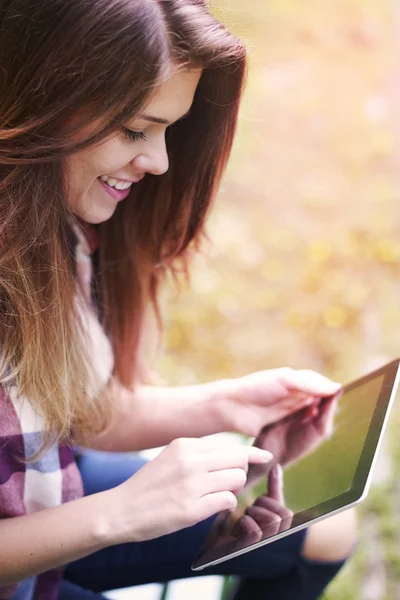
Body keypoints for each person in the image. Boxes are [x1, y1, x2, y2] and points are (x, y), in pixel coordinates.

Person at [0, 0, 357, 599]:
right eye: (136, 130)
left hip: (47, 489)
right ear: (40, 97)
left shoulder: (55, 227)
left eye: (168, 130)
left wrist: (230, 407)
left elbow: (77, 412)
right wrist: (120, 514)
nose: (161, 162)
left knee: (323, 526)